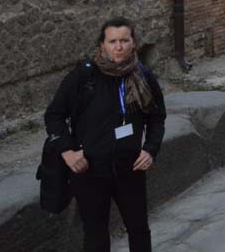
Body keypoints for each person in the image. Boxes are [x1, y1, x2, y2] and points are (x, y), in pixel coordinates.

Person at [44, 17, 166, 252]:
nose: (118, 47)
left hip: (130, 168)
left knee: (139, 229)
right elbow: (54, 116)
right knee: (96, 235)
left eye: (124, 40)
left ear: (133, 43)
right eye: (112, 41)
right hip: (89, 170)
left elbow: (157, 117)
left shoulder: (143, 76)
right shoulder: (84, 76)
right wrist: (68, 152)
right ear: (102, 45)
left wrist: (151, 149)